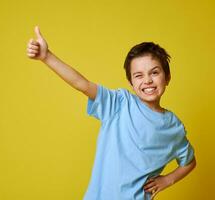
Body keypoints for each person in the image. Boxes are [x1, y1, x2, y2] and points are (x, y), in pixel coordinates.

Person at [26, 25, 197, 200]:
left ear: (167, 77)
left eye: (154, 72)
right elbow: (82, 84)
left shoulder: (174, 127)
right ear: (131, 83)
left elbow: (189, 162)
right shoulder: (119, 103)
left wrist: (168, 180)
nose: (147, 80)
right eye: (138, 75)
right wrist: (47, 57)